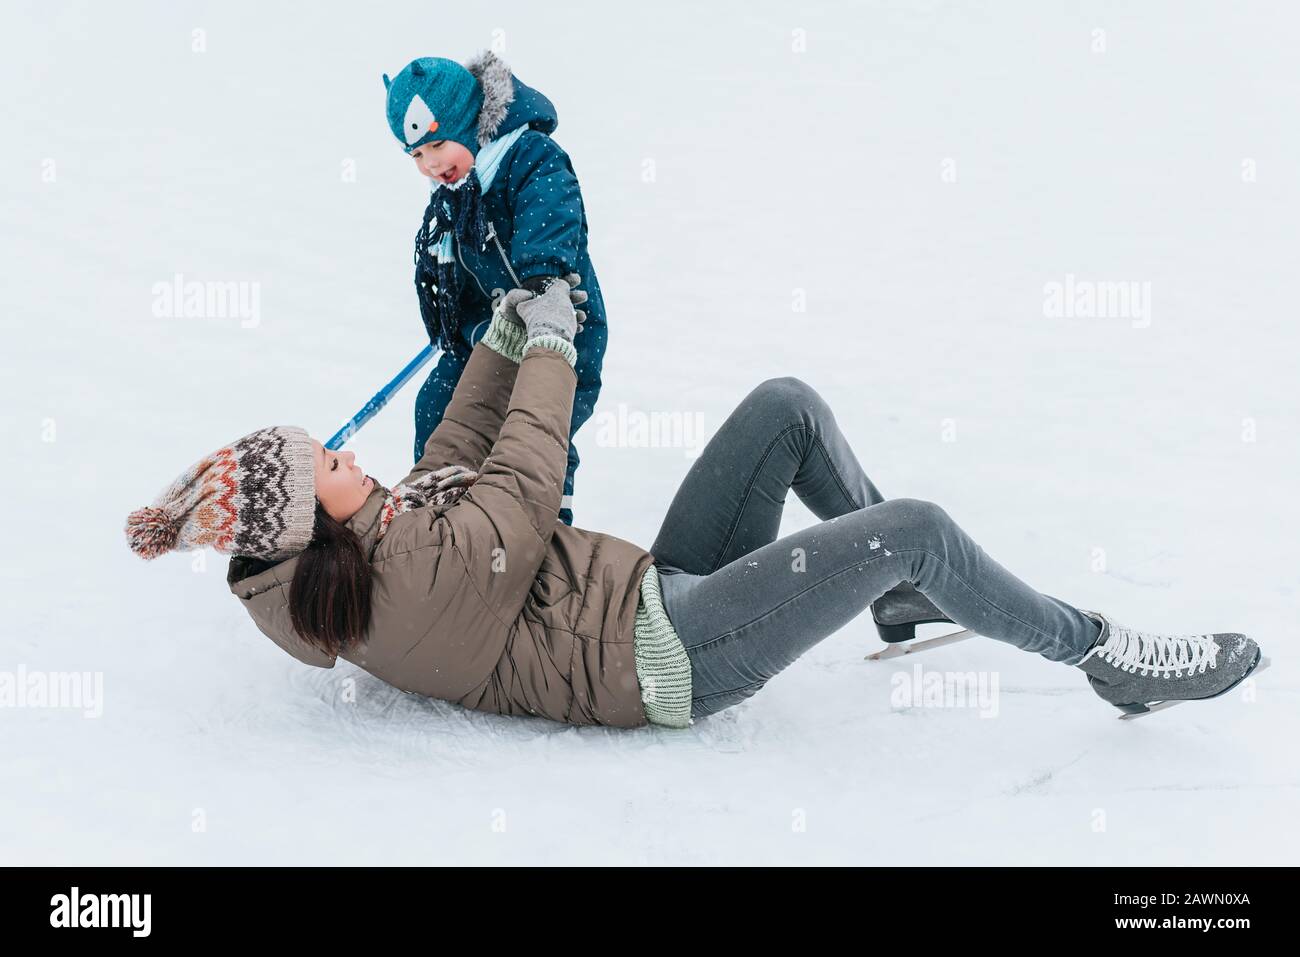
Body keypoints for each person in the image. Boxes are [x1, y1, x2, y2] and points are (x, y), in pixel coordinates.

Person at [125, 283, 1266, 729]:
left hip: (656, 592)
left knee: (785, 406)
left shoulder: (384, 521)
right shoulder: (392, 597)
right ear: (311, 520)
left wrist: (509, 331)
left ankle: (901, 605)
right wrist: (557, 359)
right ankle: (1104, 653)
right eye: (323, 459)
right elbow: (519, 489)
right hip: (661, 660)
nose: (342, 450)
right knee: (909, 523)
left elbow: (467, 441)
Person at [384, 50, 609, 525]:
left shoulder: (528, 157)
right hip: (491, 335)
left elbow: (551, 212)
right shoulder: (456, 195)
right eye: (417, 155)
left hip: (558, 326)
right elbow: (461, 268)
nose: (429, 163)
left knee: (537, 431)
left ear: (469, 124)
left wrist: (543, 278)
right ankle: (440, 519)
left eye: (437, 144)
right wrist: (456, 320)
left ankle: (547, 530)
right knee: (436, 403)